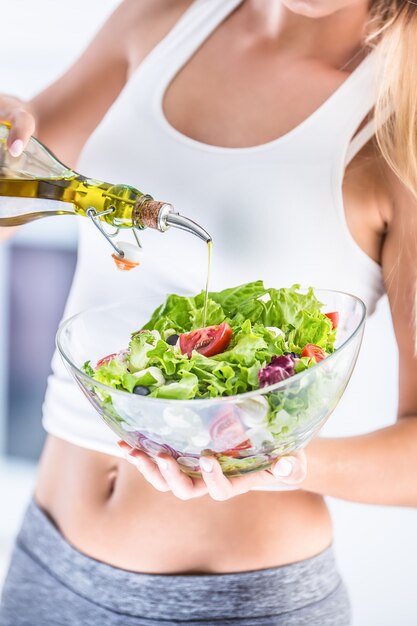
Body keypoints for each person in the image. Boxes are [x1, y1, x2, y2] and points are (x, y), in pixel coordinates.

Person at [1, 0, 416, 624]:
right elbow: (16, 187)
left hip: (237, 603)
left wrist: (276, 460)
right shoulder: (161, 16)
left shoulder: (399, 113)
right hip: (44, 558)